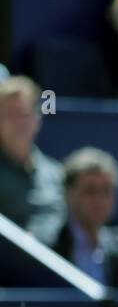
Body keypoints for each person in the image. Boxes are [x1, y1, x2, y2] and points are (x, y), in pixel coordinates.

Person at [51, 148, 118, 290]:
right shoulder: (48, 248)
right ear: (68, 194)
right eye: (90, 191)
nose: (99, 201)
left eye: (106, 191)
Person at [0, 76, 63, 246]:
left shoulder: (57, 174)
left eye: (25, 113)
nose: (20, 122)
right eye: (11, 114)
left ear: (38, 118)